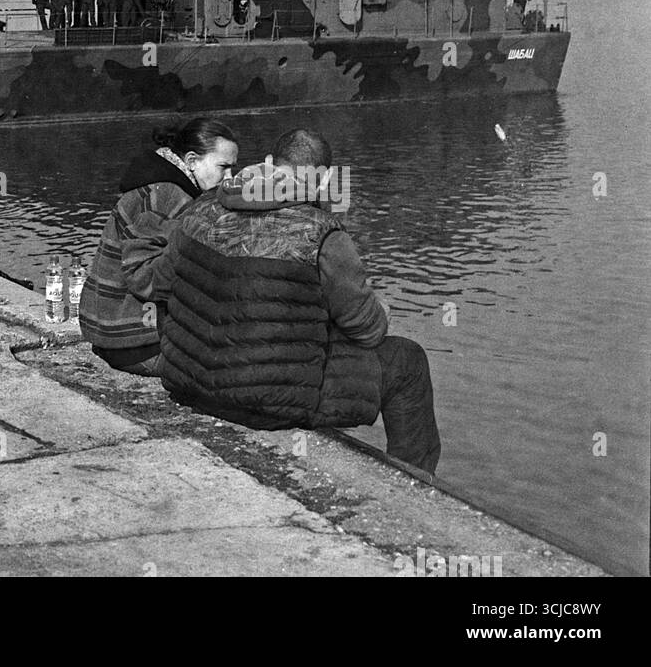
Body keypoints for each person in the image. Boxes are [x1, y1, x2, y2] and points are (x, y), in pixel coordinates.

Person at [155, 128, 441, 475]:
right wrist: (380, 310)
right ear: (323, 179)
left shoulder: (201, 207)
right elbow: (368, 332)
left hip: (189, 385)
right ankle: (415, 483)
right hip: (263, 405)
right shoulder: (323, 232)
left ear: (269, 163)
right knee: (407, 362)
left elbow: (162, 286)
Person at [80, 117, 240, 376]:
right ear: (191, 161)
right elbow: (144, 279)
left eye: (234, 168)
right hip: (135, 344)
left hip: (108, 331)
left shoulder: (155, 183)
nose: (230, 178)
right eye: (223, 167)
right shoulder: (169, 196)